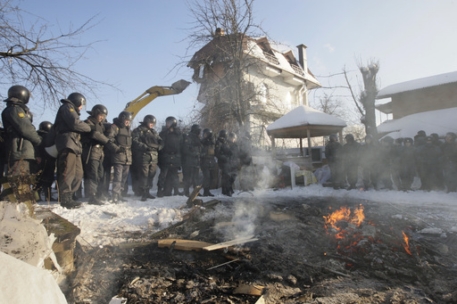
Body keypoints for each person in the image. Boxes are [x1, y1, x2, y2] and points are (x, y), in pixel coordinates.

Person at [54, 92, 91, 208]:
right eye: (81, 104)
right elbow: (75, 123)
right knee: (68, 171)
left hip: (75, 144)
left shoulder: (72, 110)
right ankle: (65, 197)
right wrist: (88, 127)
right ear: (77, 101)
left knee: (78, 173)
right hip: (68, 143)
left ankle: (71, 194)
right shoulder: (67, 107)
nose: (81, 107)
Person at [1, 85, 42, 176]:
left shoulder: (13, 109)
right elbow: (26, 129)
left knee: (21, 182)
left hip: (20, 150)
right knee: (19, 182)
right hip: (20, 151)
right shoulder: (15, 109)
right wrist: (40, 141)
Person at [81, 104, 110, 205]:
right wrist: (106, 140)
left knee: (101, 174)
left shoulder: (101, 125)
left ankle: (99, 193)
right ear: (95, 113)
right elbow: (94, 134)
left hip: (99, 153)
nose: (102, 118)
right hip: (91, 151)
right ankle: (91, 196)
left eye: (104, 116)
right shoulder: (88, 122)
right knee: (92, 174)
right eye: (101, 115)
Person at [132, 114, 163, 201]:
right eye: (150, 122)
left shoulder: (153, 132)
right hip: (143, 155)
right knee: (144, 175)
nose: (152, 124)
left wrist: (159, 147)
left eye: (153, 123)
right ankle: (143, 192)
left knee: (151, 175)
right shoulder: (138, 130)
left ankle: (148, 191)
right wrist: (145, 147)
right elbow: (134, 141)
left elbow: (161, 141)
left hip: (154, 156)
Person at [106, 111, 133, 203]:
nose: (127, 122)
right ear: (122, 119)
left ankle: (120, 193)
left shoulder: (128, 129)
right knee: (118, 176)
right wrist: (116, 149)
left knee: (124, 178)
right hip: (118, 155)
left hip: (127, 156)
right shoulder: (114, 127)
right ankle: (115, 194)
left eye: (129, 120)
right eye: (126, 120)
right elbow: (109, 139)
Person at [157, 116, 183, 197]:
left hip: (176, 156)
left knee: (174, 175)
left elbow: (182, 146)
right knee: (163, 174)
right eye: (166, 122)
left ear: (173, 123)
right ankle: (160, 190)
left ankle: (176, 190)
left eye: (169, 122)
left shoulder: (179, 133)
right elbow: (160, 146)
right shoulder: (163, 133)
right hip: (165, 156)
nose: (167, 124)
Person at [35, 121, 57, 201]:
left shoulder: (37, 136)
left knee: (40, 178)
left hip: (42, 160)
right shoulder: (47, 137)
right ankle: (46, 196)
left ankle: (38, 196)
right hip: (48, 159)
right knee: (46, 179)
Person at [181, 124, 202, 196]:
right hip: (188, 161)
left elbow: (199, 149)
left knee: (195, 178)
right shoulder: (188, 137)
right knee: (187, 178)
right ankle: (186, 192)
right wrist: (194, 153)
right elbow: (185, 150)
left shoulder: (197, 138)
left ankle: (196, 192)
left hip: (195, 161)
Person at [200, 128, 216, 197]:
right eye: (204, 134)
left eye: (206, 134)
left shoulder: (212, 142)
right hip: (205, 161)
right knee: (206, 177)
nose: (204, 135)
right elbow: (200, 152)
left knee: (211, 177)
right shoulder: (202, 142)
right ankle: (205, 191)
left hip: (211, 161)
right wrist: (203, 154)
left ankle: (208, 190)